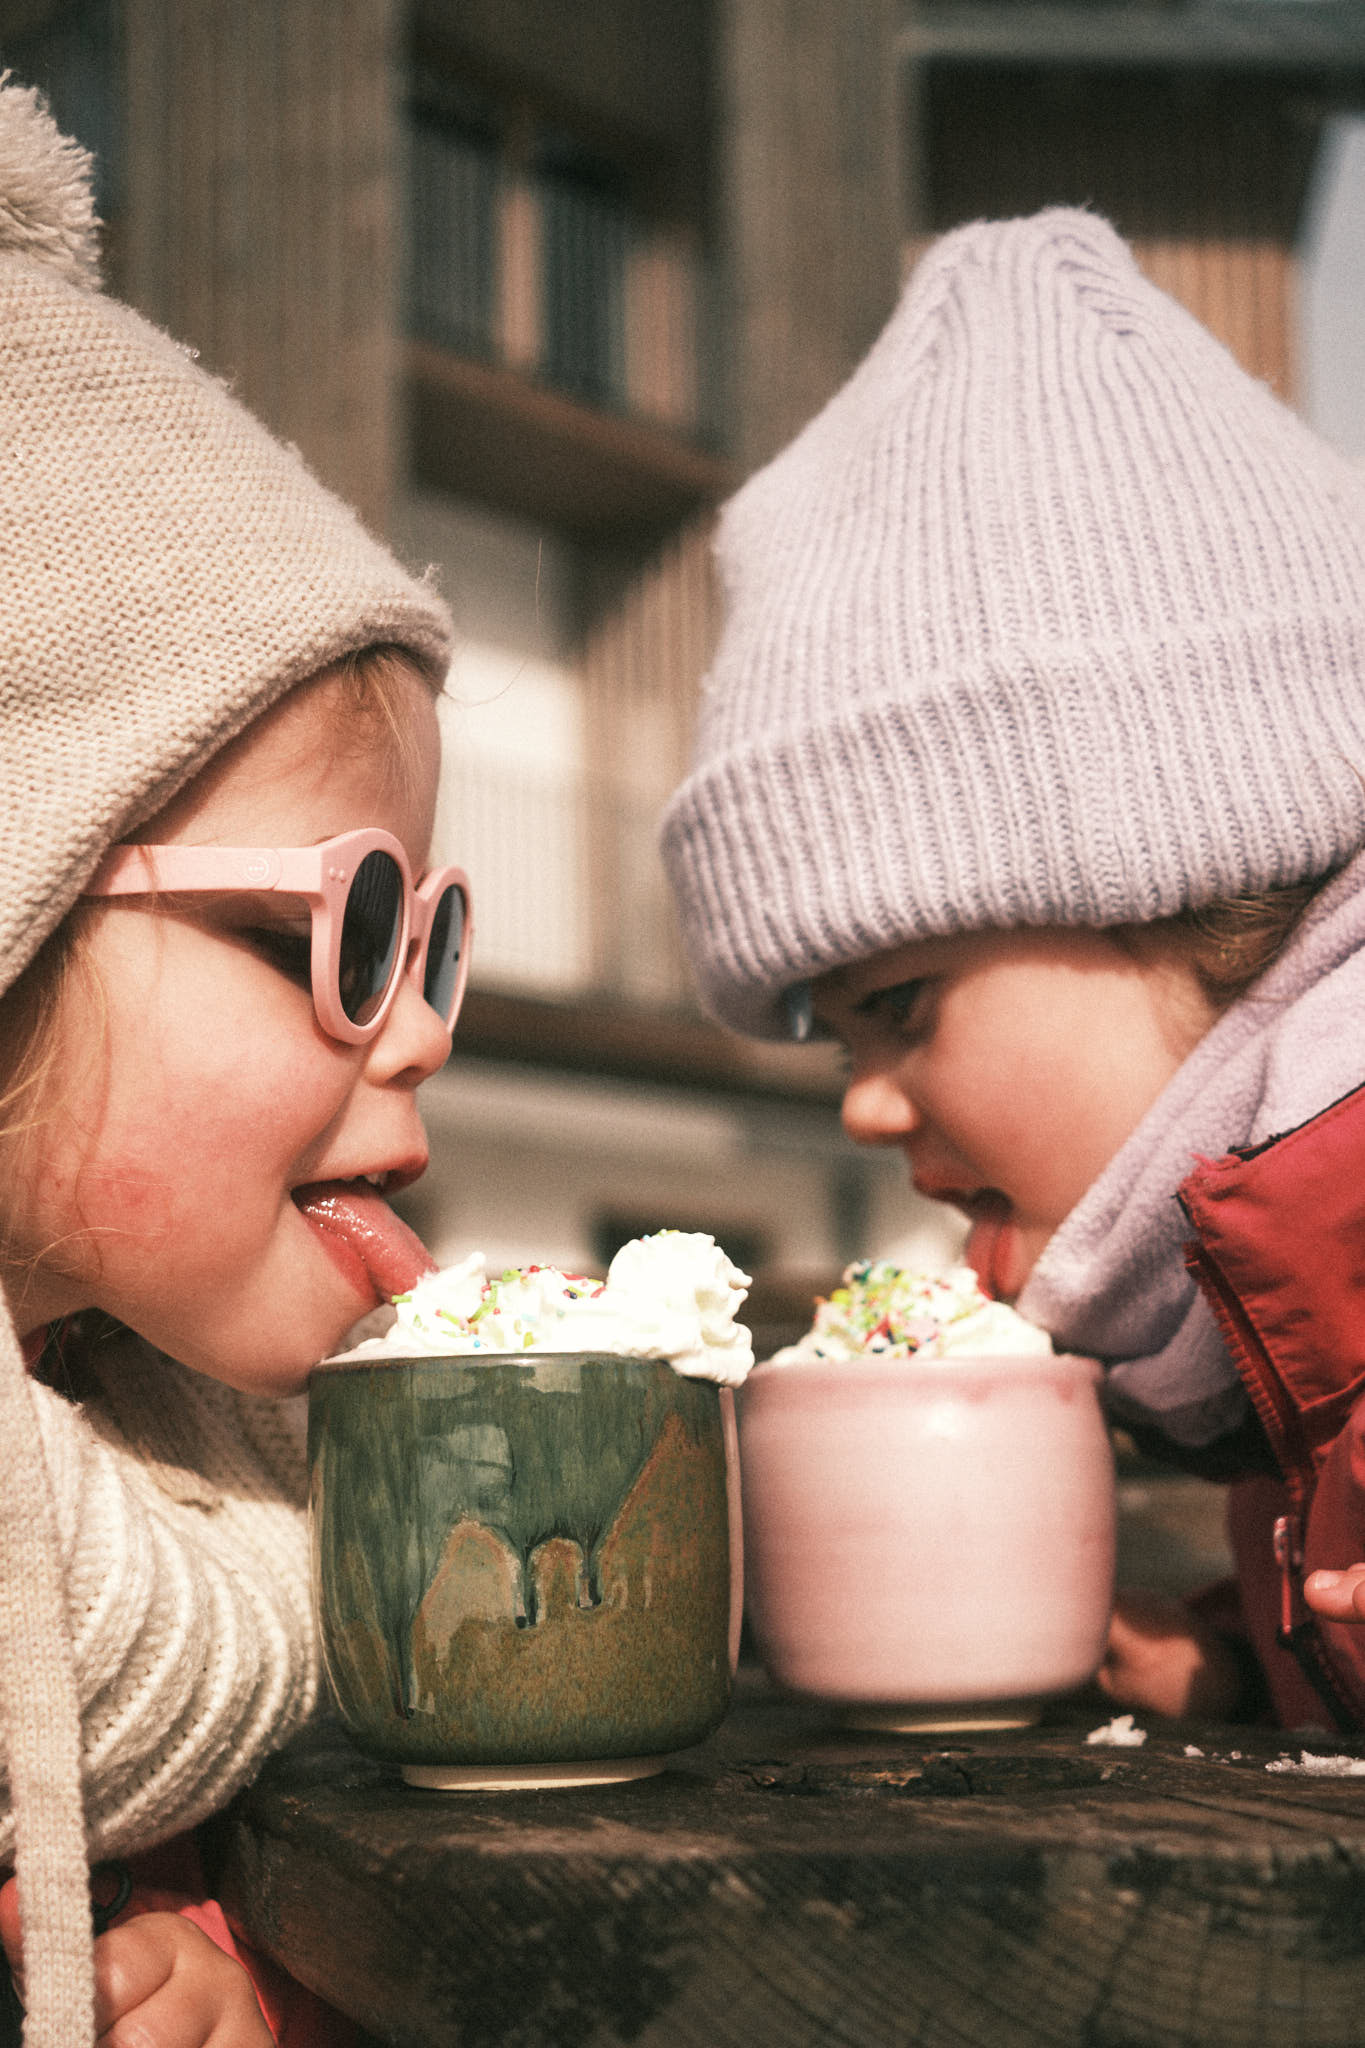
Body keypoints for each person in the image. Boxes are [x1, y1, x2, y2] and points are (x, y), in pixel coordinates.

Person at [661, 206, 1365, 1733]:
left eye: (898, 1007)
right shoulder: (1267, 1305)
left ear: (1170, 875)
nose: (859, 1108)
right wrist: (1245, 1662)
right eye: (833, 1039)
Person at [0, 78, 464, 2046]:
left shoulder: (143, 1420)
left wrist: (259, 1973)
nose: (428, 1021)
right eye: (356, 928)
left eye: (436, 940)